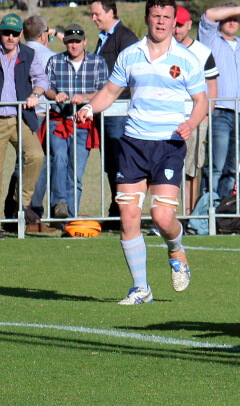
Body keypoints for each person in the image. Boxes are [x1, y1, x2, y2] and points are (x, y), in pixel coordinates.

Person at [75, 0, 208, 304]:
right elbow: (110, 92)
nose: (161, 22)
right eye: (156, 16)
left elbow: (202, 101)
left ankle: (176, 249)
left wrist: (191, 123)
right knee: (129, 216)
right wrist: (87, 107)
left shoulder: (186, 59)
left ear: (175, 22)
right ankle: (140, 289)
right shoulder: (130, 54)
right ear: (147, 17)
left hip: (168, 145)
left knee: (162, 217)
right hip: (133, 144)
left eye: (167, 17)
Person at [44, 24, 108, 220]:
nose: (74, 45)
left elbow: (105, 92)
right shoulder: (55, 61)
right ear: (65, 42)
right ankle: (60, 202)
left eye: (77, 42)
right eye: (70, 41)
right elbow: (46, 87)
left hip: (84, 124)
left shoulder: (98, 62)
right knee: (59, 159)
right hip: (59, 120)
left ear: (85, 42)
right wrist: (56, 95)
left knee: (77, 174)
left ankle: (70, 220)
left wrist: (84, 97)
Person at [197, 3, 240, 200]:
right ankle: (208, 212)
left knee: (233, 169)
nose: (233, 22)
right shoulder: (210, 41)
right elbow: (209, 14)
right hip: (219, 113)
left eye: (237, 19)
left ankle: (224, 213)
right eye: (229, 17)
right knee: (216, 166)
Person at [3, 15, 56, 233]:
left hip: (20, 117)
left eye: (15, 34)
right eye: (6, 33)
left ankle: (21, 204)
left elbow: (42, 79)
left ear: (21, 35)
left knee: (36, 156)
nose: (10, 37)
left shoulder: (28, 53)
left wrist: (35, 93)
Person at [90, 0, 139, 229]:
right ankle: (115, 208)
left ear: (110, 12)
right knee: (110, 162)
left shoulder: (125, 37)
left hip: (119, 111)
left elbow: (132, 74)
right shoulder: (104, 37)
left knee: (120, 161)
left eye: (97, 14)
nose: (93, 18)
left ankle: (123, 210)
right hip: (106, 110)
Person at [173, 6, 219, 215]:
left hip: (194, 119)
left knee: (192, 170)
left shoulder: (202, 52)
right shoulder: (162, 49)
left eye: (180, 25)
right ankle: (168, 215)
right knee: (167, 170)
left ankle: (189, 215)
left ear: (189, 25)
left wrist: (205, 114)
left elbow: (212, 86)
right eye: (174, 25)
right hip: (167, 118)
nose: (176, 30)